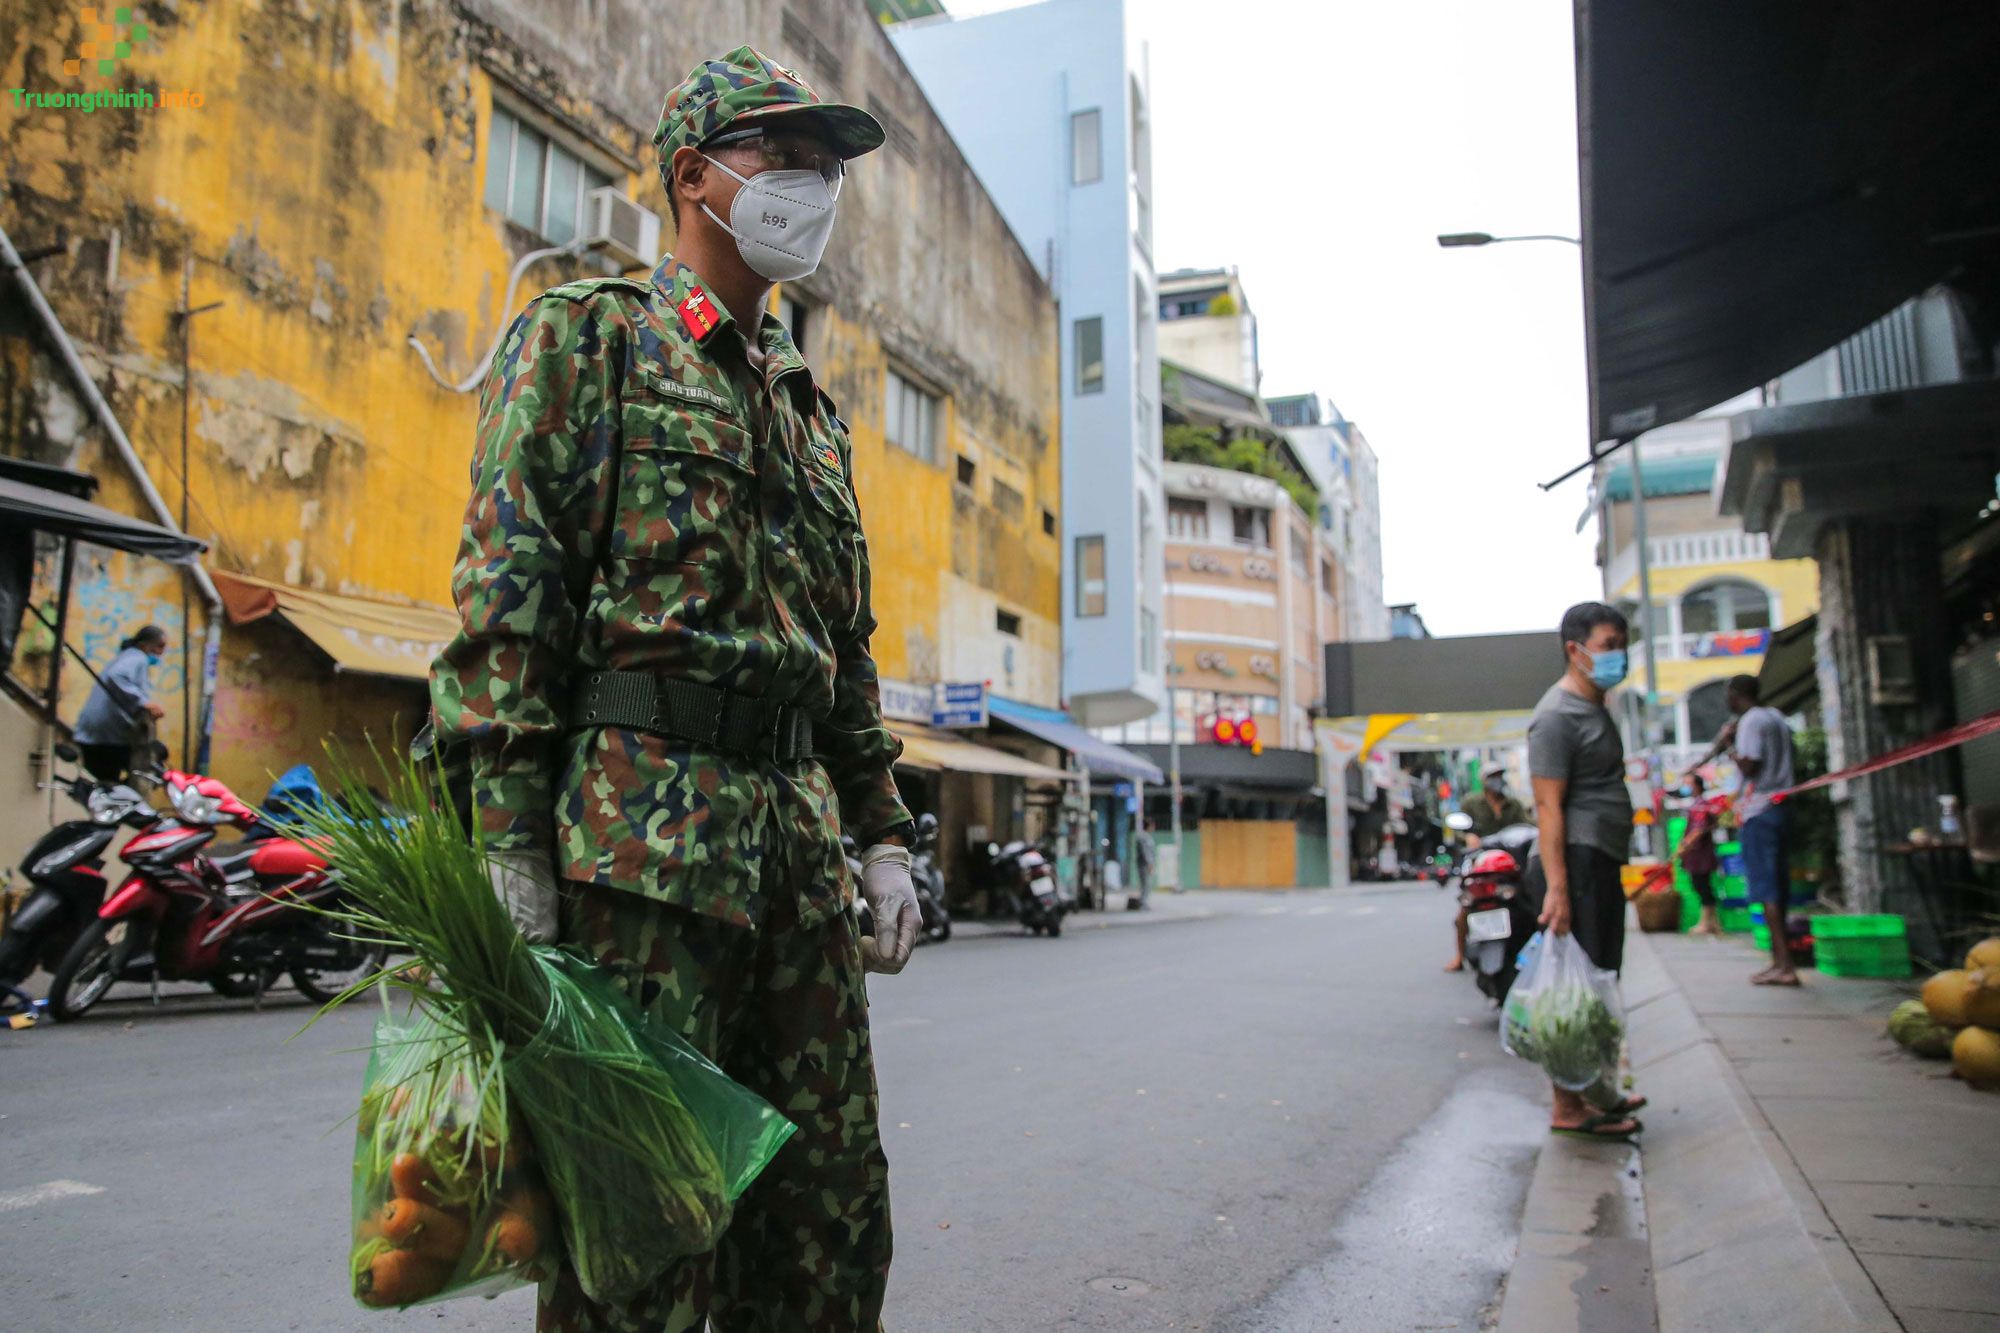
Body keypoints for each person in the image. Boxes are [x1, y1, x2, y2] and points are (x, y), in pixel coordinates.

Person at [430, 48, 919, 1331]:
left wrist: (879, 835)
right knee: (639, 1242)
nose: (812, 186)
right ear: (694, 176)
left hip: (797, 863)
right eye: (784, 156)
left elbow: (844, 651)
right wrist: (508, 847)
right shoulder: (587, 342)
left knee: (827, 1228)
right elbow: (508, 602)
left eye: (827, 168)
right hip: (636, 862)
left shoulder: (813, 414)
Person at [1525, 602, 1645, 1140]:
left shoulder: (1593, 704)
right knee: (1573, 994)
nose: (1618, 654)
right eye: (1609, 644)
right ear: (1576, 651)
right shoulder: (1556, 716)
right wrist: (1558, 889)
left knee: (1598, 984)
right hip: (1575, 860)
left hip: (1597, 857)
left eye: (1623, 642)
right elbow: (1548, 806)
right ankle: (1567, 1106)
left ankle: (1597, 1091)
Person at [1728, 674, 1798, 985]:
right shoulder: (1777, 718)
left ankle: (1783, 964)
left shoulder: (1751, 721)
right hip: (1781, 808)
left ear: (1736, 695)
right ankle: (1780, 962)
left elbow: (1750, 765)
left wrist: (1731, 749)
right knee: (1778, 888)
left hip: (1760, 810)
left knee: (1767, 889)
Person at [1444, 771, 1531, 971]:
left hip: (1509, 863)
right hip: (1480, 863)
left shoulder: (1513, 804)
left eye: (1500, 775)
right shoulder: (1472, 803)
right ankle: (1459, 956)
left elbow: (1527, 825)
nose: (1497, 780)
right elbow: (1459, 830)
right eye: (1493, 776)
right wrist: (1468, 837)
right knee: (1466, 908)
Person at [72, 624, 167, 782]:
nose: (161, 653)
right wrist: (143, 702)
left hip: (98, 732)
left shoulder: (128, 656)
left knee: (104, 781)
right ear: (144, 645)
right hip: (105, 735)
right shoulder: (137, 657)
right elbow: (116, 676)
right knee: (119, 779)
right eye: (160, 646)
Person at [1674, 773, 1726, 935]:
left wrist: (1685, 844)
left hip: (1700, 855)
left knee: (1703, 887)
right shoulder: (1696, 804)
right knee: (1702, 887)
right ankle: (1713, 923)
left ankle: (1705, 923)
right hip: (1695, 855)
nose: (1685, 786)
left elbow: (1699, 829)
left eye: (1688, 783)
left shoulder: (1702, 805)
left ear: (1697, 785)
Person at [1129, 818, 1156, 910]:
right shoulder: (1144, 837)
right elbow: (1146, 852)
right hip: (1144, 865)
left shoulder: (1146, 836)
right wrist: (1150, 864)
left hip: (1144, 864)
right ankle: (1143, 903)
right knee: (1146, 884)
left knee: (1146, 884)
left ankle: (1143, 902)